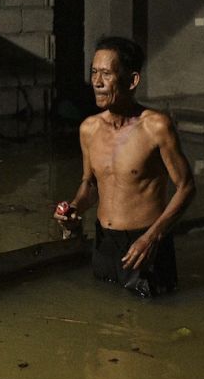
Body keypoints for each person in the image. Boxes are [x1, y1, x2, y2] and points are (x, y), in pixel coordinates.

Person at [55, 36, 195, 297]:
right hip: (104, 244)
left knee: (152, 327)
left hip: (145, 244)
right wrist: (74, 208)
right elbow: (91, 184)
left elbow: (186, 187)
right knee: (105, 318)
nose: (96, 83)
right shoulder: (89, 129)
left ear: (132, 80)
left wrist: (152, 237)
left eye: (106, 74)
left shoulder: (156, 127)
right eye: (94, 73)